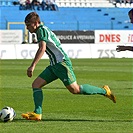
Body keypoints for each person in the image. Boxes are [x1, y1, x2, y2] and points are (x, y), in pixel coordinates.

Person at [21, 12, 116, 121]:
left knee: (75, 90)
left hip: (62, 64)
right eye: (26, 25)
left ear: (36, 23)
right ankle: (37, 113)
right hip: (54, 65)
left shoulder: (41, 30)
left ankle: (104, 91)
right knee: (36, 84)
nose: (27, 28)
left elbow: (42, 49)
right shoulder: (41, 30)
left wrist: (32, 66)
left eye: (29, 25)